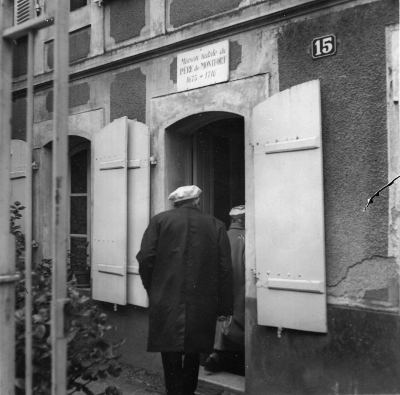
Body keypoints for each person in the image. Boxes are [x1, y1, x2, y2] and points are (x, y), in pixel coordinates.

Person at [136, 185, 233, 395]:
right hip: (203, 302)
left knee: (169, 351)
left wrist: (152, 288)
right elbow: (225, 269)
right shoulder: (216, 225)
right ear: (197, 201)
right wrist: (225, 307)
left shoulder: (160, 221)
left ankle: (173, 391)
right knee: (193, 354)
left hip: (165, 298)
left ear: (175, 202)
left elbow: (145, 258)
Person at [204, 205, 245, 375]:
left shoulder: (222, 237)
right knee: (241, 321)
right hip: (243, 287)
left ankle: (217, 353)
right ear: (243, 219)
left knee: (223, 319)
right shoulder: (248, 238)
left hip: (223, 286)